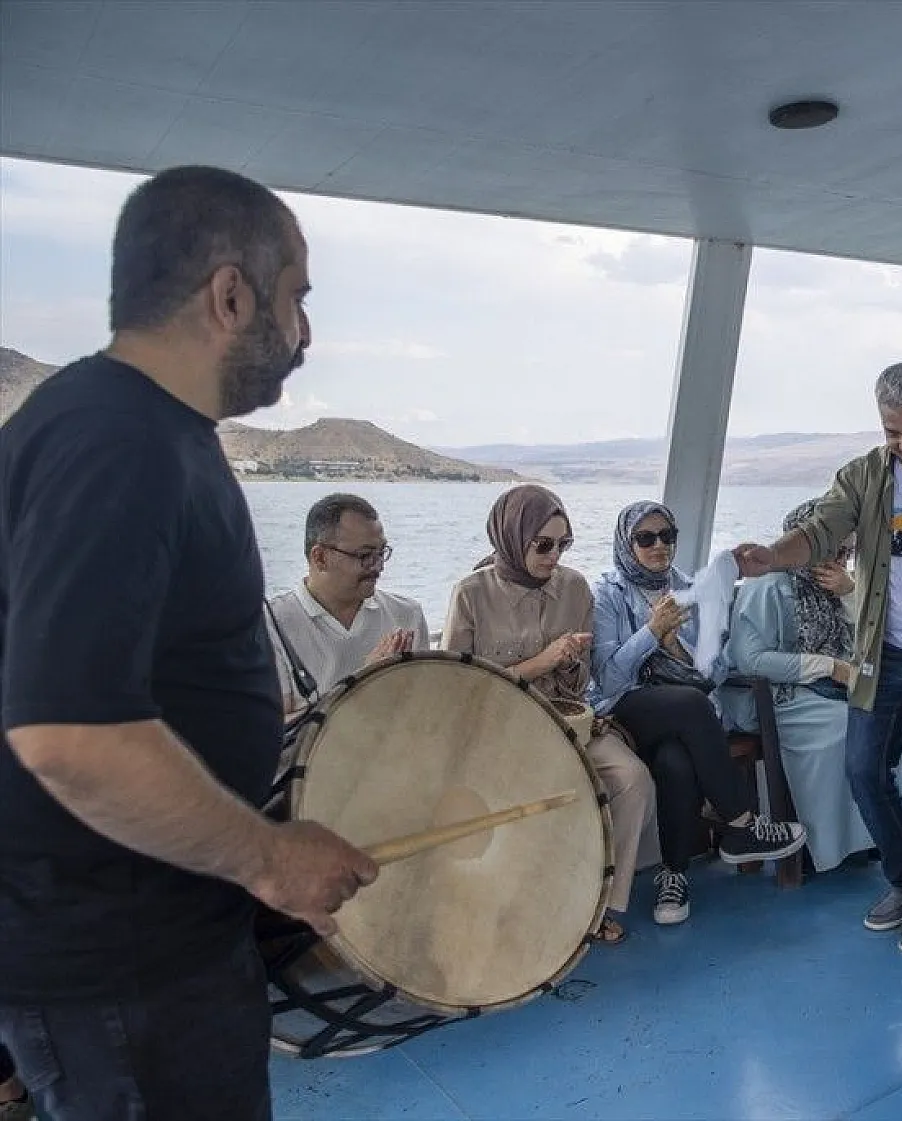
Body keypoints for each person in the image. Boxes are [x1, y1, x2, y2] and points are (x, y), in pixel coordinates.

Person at [0, 166, 376, 1120]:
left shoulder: (147, 430)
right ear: (230, 293)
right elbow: (68, 733)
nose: (303, 334)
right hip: (118, 962)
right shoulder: (114, 439)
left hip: (162, 935)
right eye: (296, 299)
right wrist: (271, 858)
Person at [734, 362, 902, 954]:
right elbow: (822, 529)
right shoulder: (862, 477)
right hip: (882, 652)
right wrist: (771, 558)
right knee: (862, 770)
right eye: (891, 433)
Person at [442, 485, 655, 944]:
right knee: (539, 789)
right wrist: (541, 661)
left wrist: (572, 663)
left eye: (563, 544)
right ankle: (535, 907)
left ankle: (599, 903)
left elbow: (576, 689)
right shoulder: (471, 594)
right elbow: (457, 690)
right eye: (543, 544)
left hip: (565, 724)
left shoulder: (574, 589)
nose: (554, 555)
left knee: (632, 778)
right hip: (498, 734)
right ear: (512, 537)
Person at [593, 501, 807, 925]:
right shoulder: (608, 595)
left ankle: (673, 877)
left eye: (667, 536)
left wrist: (679, 650)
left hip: (686, 715)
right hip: (629, 709)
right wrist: (651, 634)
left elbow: (717, 671)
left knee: (677, 760)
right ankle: (742, 824)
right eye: (645, 538)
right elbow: (609, 681)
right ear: (626, 542)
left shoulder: (693, 587)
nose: (659, 547)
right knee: (689, 706)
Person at [724, 501, 874, 873]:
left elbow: (869, 639)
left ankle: (867, 837)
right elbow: (750, 660)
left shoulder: (830, 586)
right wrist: (829, 667)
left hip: (819, 691)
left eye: (846, 550)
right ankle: (822, 846)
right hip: (773, 697)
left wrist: (850, 592)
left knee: (880, 718)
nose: (840, 557)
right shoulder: (770, 584)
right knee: (843, 726)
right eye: (834, 548)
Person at [266, 492, 429, 712]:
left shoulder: (406, 615)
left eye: (381, 553)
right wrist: (362, 682)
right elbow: (273, 732)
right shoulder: (270, 626)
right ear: (320, 558)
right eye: (365, 555)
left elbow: (424, 712)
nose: (378, 566)